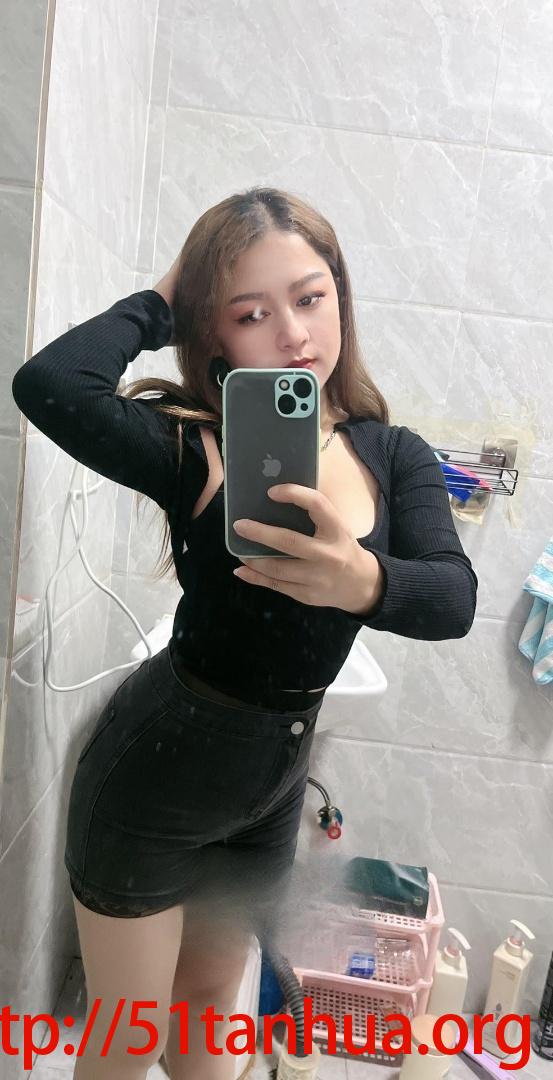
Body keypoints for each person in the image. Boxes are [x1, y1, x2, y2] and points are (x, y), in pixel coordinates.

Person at [11, 186, 478, 1079]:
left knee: (206, 1018)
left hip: (268, 797)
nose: (293, 334)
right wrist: (162, 300)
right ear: (214, 334)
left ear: (339, 295)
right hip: (152, 784)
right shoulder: (193, 445)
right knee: (125, 1043)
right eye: (251, 313)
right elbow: (48, 385)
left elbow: (453, 599)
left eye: (309, 297)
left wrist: (361, 580)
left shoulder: (393, 454)